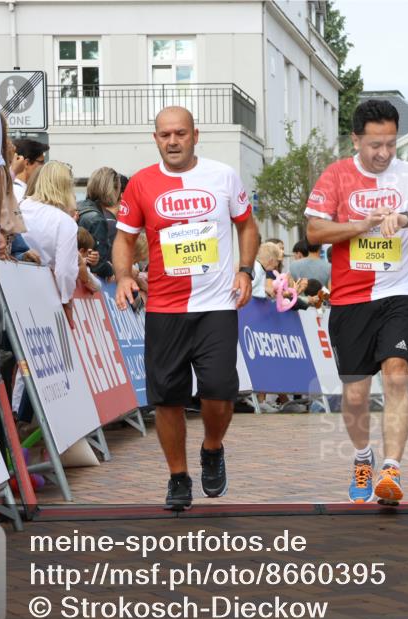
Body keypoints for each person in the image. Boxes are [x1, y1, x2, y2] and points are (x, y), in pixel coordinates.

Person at [113, 106, 259, 511]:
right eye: (164, 135)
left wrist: (245, 270)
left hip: (216, 304)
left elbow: (247, 224)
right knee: (167, 398)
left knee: (217, 390)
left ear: (196, 134)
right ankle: (178, 477)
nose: (172, 141)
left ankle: (212, 448)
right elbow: (124, 238)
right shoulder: (141, 183)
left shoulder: (222, 176)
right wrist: (124, 275)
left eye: (180, 133)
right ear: (155, 138)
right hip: (164, 307)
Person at [305, 98, 408, 505]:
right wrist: (355, 226)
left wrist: (407, 219)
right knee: (354, 395)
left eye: (391, 144)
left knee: (397, 372)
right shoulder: (336, 176)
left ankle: (392, 469)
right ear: (356, 140)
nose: (384, 153)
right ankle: (363, 458)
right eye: (375, 145)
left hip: (398, 294)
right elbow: (314, 231)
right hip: (350, 298)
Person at [20, 162, 80, 305]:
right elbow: (65, 271)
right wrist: (66, 299)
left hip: (12, 283)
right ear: (67, 186)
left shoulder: (20, 207)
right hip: (45, 294)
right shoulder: (65, 222)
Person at [77, 166, 119, 280]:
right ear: (113, 189)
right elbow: (97, 264)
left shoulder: (77, 207)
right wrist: (111, 270)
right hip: (86, 282)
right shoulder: (97, 220)